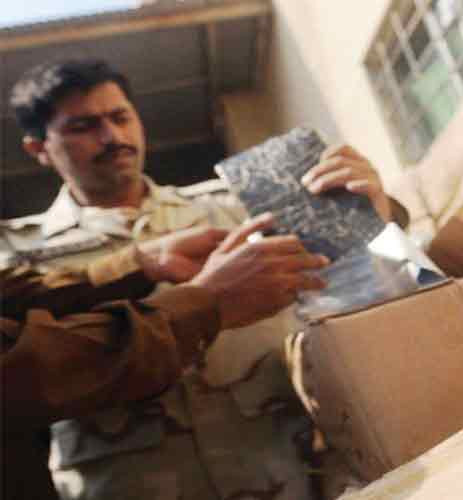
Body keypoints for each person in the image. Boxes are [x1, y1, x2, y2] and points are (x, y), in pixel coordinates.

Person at [4, 58, 406, 500]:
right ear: (38, 148)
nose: (112, 137)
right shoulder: (18, 261)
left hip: (288, 478)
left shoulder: (236, 209)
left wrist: (369, 209)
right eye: (83, 126)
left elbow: (361, 281)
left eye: (120, 117)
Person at [2, 215, 329, 500]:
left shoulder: (218, 206)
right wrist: (201, 305)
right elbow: (24, 367)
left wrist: (142, 263)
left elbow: (14, 298)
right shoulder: (17, 238)